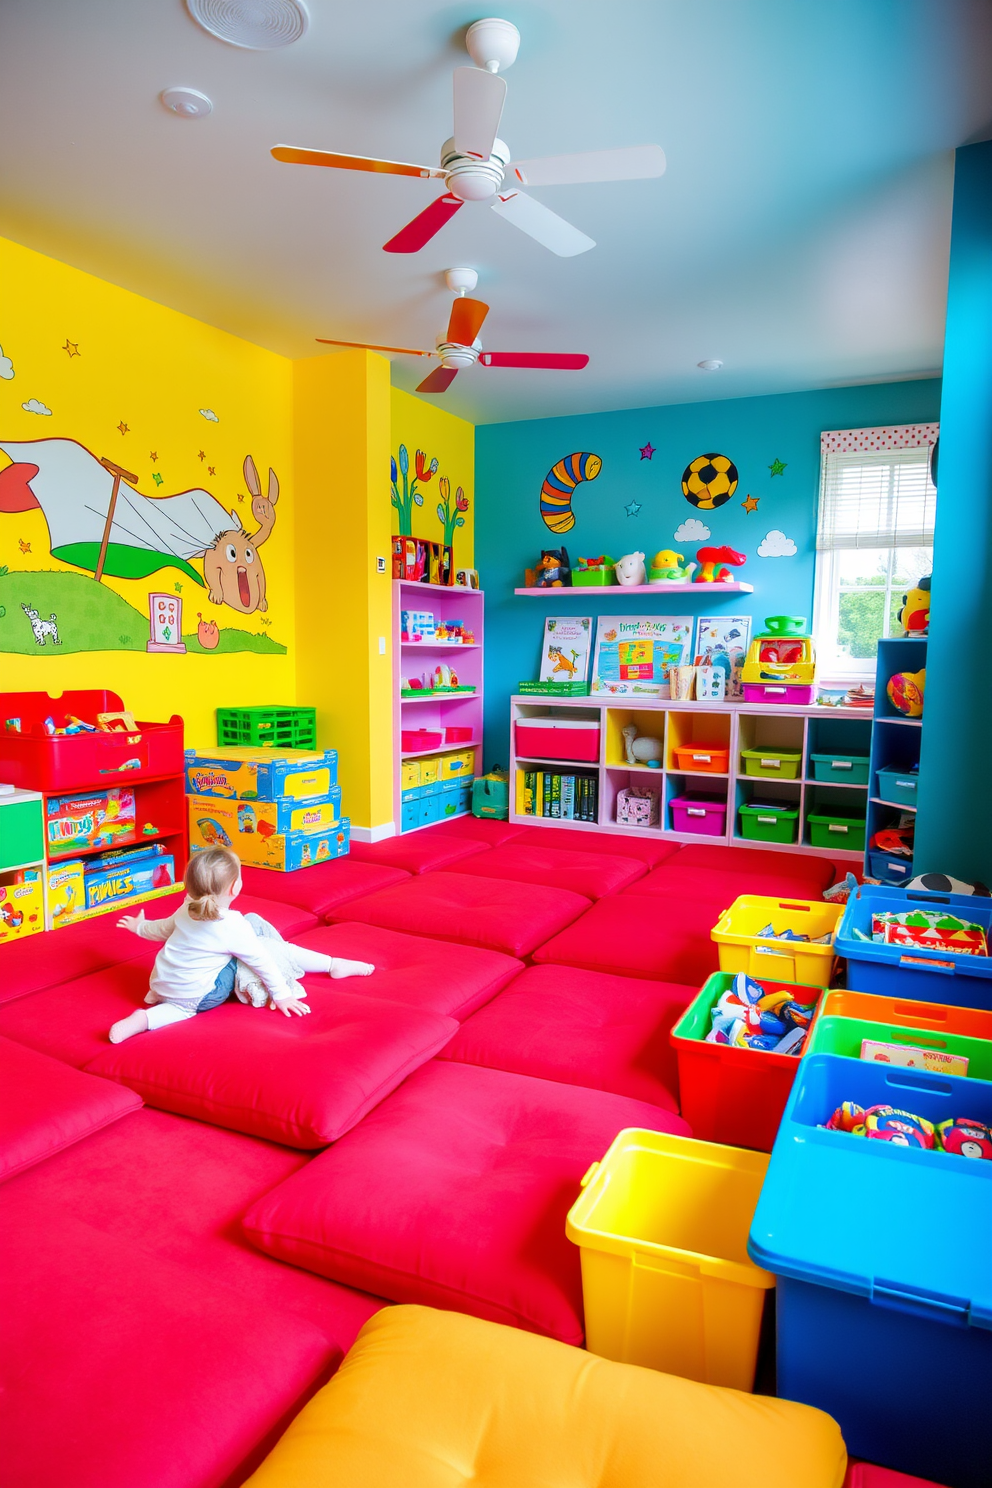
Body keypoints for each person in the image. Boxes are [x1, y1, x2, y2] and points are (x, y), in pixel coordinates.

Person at [108, 846, 374, 1043]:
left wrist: (139, 927)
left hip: (161, 984)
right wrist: (282, 995)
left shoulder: (187, 906)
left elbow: (162, 929)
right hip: (200, 994)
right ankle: (333, 964)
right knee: (269, 948)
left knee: (177, 1005)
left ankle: (142, 1019)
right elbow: (261, 960)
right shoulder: (232, 925)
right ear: (235, 888)